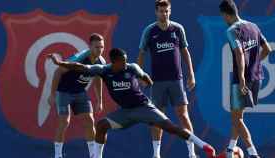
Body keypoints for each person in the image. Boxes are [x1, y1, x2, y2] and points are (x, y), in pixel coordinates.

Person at [48, 48, 216, 158]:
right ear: (114, 62)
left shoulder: (132, 67)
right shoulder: (104, 71)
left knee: (171, 127)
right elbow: (80, 67)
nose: (125, 63)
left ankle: (204, 146)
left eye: (126, 59)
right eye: (122, 61)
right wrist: (59, 63)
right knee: (101, 126)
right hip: (125, 112)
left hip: (144, 107)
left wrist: (147, 82)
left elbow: (145, 77)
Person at [137, 0, 196, 157]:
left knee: (183, 115)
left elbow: (185, 52)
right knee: (158, 117)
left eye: (166, 11)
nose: (164, 14)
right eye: (161, 11)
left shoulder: (177, 29)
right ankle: (156, 154)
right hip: (157, 82)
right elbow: (141, 53)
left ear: (170, 11)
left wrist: (191, 74)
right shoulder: (150, 31)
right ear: (156, 12)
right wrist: (141, 75)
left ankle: (191, 152)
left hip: (176, 80)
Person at [219, 1, 272, 158]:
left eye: (222, 16)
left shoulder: (231, 30)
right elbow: (267, 49)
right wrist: (254, 65)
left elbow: (239, 54)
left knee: (235, 118)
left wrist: (242, 77)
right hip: (257, 77)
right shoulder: (253, 26)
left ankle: (253, 153)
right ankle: (230, 150)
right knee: (238, 116)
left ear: (225, 15)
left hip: (242, 79)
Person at [48, 33, 106, 158]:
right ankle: (58, 155)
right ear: (90, 46)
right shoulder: (80, 57)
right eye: (97, 47)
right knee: (64, 121)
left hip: (80, 93)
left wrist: (99, 100)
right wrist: (52, 95)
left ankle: (94, 155)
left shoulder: (101, 61)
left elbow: (97, 79)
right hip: (64, 92)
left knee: (89, 120)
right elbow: (58, 71)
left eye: (102, 47)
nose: (100, 50)